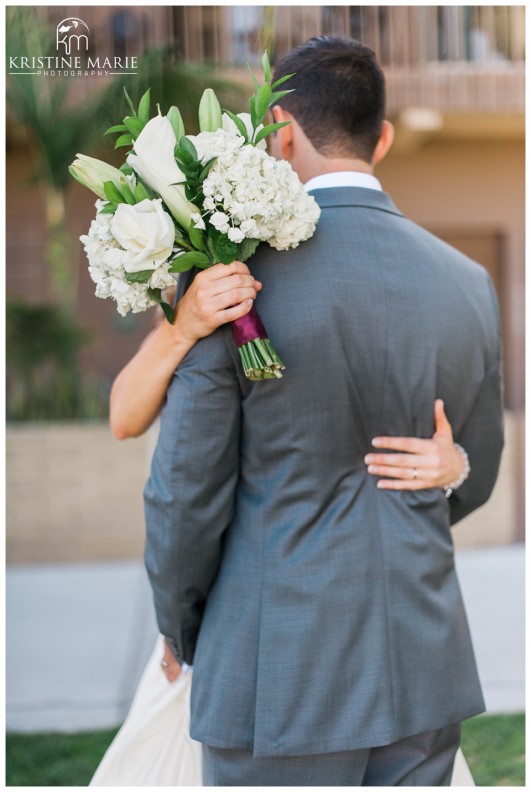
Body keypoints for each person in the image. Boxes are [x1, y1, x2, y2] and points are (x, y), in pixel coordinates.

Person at [142, 36, 504, 786]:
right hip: (420, 666)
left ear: (279, 130)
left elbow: (184, 489)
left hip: (279, 675)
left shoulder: (229, 282)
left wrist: (178, 624)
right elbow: (473, 471)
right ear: (385, 138)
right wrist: (454, 468)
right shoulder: (468, 282)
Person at [92, 271, 475, 787]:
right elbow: (125, 418)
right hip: (245, 613)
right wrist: (181, 330)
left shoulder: (297, 312)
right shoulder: (188, 335)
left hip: (276, 624)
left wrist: (454, 466)